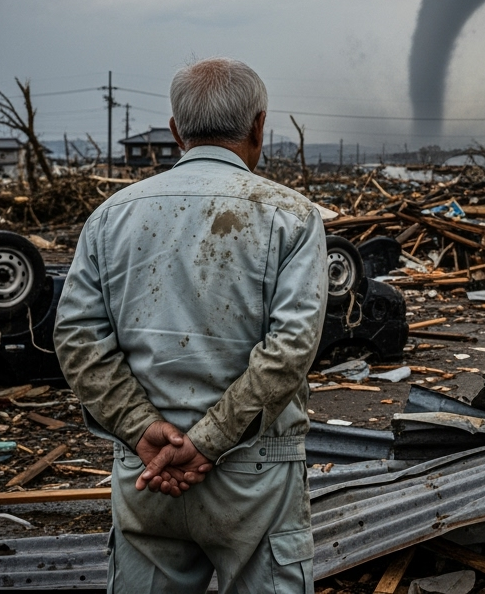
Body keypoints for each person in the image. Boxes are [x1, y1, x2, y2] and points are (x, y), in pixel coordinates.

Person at [55, 57, 327, 594]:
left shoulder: (111, 216)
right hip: (255, 474)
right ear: (258, 126)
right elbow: (290, 348)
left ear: (177, 130)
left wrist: (139, 429)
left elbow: (77, 337)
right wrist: (207, 442)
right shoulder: (290, 216)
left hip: (147, 471)